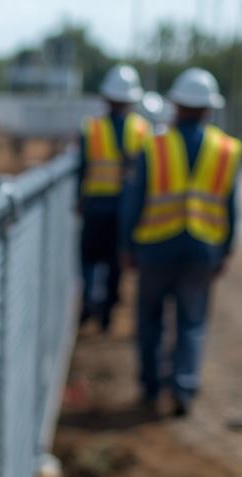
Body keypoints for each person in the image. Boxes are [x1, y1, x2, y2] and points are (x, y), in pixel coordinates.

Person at [119, 67, 242, 416]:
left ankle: (150, 386)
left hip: (156, 249)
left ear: (175, 104)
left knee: (150, 321)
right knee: (191, 321)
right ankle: (183, 387)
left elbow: (134, 202)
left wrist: (126, 246)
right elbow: (231, 207)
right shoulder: (227, 149)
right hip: (202, 251)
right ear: (208, 109)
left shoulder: (153, 146)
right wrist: (227, 249)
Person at [76, 64, 151, 333]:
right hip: (125, 209)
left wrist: (79, 199)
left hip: (96, 204)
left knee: (89, 259)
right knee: (114, 261)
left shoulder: (91, 128)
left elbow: (82, 168)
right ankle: (107, 311)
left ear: (106, 97)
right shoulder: (143, 130)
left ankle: (88, 302)